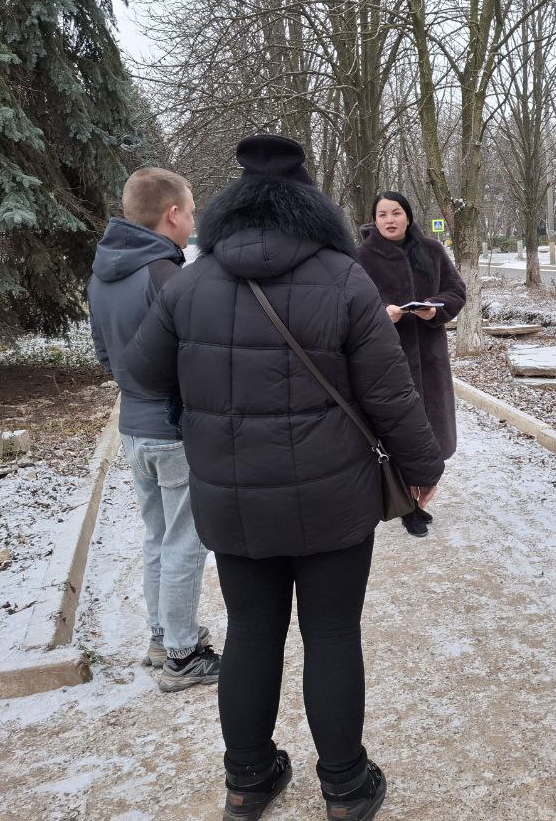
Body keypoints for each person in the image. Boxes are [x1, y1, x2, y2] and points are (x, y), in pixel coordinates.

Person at [122, 135, 444, 821]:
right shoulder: (344, 277)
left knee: (251, 632)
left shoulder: (191, 281)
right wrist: (422, 469)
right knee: (331, 633)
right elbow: (389, 394)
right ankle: (347, 786)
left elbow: (141, 376)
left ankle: (247, 780)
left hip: (232, 501)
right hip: (333, 497)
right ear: (311, 206)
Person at [88, 167, 221, 693]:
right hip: (173, 430)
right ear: (171, 214)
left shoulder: (101, 275)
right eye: (190, 212)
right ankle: (185, 655)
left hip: (132, 426)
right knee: (186, 541)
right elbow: (195, 361)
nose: (192, 223)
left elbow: (105, 355)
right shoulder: (167, 276)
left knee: (156, 536)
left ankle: (163, 636)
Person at [356, 191, 466, 537]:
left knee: (430, 430)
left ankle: (420, 498)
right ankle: (407, 505)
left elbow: (457, 291)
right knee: (397, 430)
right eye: (383, 214)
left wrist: (435, 308)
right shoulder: (361, 258)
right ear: (374, 220)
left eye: (396, 213)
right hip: (388, 358)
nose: (390, 220)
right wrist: (381, 313)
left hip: (431, 358)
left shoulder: (431, 251)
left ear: (408, 216)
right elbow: (351, 303)